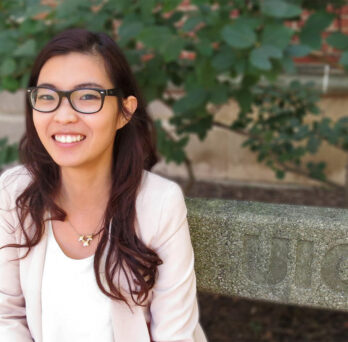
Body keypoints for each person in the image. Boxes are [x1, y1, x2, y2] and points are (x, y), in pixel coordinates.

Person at [0, 28, 207, 342]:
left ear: (124, 111)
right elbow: (6, 317)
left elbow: (174, 334)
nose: (64, 115)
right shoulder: (14, 194)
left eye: (87, 96)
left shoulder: (159, 203)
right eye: (47, 97)